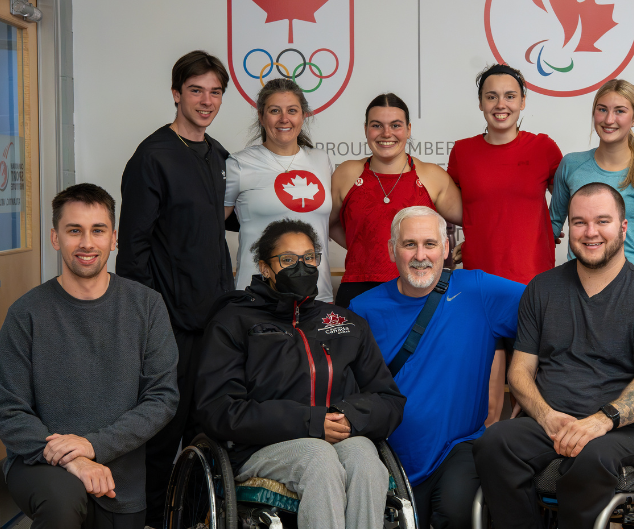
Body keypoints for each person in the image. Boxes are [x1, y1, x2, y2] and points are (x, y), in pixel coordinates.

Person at [474, 183, 634, 529]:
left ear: (623, 227)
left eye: (602, 221)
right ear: (568, 228)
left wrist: (600, 421)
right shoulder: (542, 289)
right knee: (494, 443)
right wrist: (546, 415)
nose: (591, 232)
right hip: (553, 421)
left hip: (625, 429)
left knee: (591, 456)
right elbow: (520, 372)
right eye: (580, 222)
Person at [194, 219, 405, 529]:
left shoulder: (346, 323)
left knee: (364, 456)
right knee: (317, 455)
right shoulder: (233, 321)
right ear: (265, 267)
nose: (302, 267)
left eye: (309, 258)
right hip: (259, 448)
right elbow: (218, 410)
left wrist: (347, 416)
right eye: (288, 260)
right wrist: (309, 421)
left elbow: (389, 400)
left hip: (339, 439)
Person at [0, 183, 179, 529]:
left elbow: (162, 399)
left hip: (118, 476)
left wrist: (93, 446)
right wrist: (72, 461)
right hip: (39, 464)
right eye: (74, 230)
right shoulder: (27, 313)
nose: (87, 243)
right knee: (62, 505)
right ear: (55, 238)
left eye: (98, 230)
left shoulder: (147, 306)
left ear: (114, 238)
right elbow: (8, 409)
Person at [116, 50, 235, 526]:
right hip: (168, 321)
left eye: (215, 92)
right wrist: (147, 320)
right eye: (196, 90)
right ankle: (152, 518)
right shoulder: (152, 157)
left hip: (215, 318)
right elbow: (133, 250)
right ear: (175, 94)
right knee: (164, 432)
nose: (206, 101)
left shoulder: (219, 155)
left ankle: (192, 516)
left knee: (205, 426)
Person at [350, 206, 525, 529]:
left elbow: (548, 315)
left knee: (457, 514)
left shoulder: (479, 290)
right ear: (392, 250)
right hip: (386, 455)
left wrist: (530, 392)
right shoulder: (363, 309)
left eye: (430, 244)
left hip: (457, 449)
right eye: (409, 244)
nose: (420, 255)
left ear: (446, 248)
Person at [447, 63, 563, 426]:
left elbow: (577, 194)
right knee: (487, 403)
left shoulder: (543, 147)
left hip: (535, 288)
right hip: (480, 291)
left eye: (510, 96)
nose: (501, 104)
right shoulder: (462, 152)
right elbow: (449, 209)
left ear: (523, 101)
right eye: (491, 96)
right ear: (481, 103)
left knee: (538, 398)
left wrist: (632, 163)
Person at [330, 93, 462, 307]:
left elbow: (473, 219)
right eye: (377, 125)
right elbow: (328, 223)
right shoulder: (347, 174)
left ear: (408, 129)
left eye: (395, 125)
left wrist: (471, 246)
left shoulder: (431, 176)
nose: (386, 133)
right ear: (365, 129)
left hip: (417, 290)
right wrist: (361, 246)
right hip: (357, 289)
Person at [224, 78, 335, 301]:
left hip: (316, 296)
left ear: (304, 116)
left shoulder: (322, 161)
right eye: (275, 110)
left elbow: (332, 225)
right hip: (258, 298)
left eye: (292, 111)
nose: (284, 119)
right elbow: (208, 227)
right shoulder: (239, 164)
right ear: (261, 116)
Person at [549, 79, 634, 280]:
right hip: (575, 286)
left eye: (620, 111)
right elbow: (550, 229)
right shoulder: (570, 165)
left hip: (628, 287)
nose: (609, 119)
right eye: (602, 109)